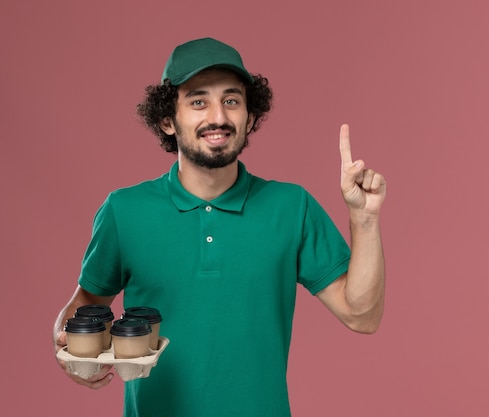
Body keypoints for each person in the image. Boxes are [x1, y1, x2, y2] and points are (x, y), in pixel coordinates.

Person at [53, 37, 386, 417]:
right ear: (167, 119)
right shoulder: (124, 210)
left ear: (250, 116)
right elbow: (82, 309)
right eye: (198, 101)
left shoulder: (291, 207)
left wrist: (365, 218)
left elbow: (362, 315)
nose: (219, 117)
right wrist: (66, 349)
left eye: (231, 100)